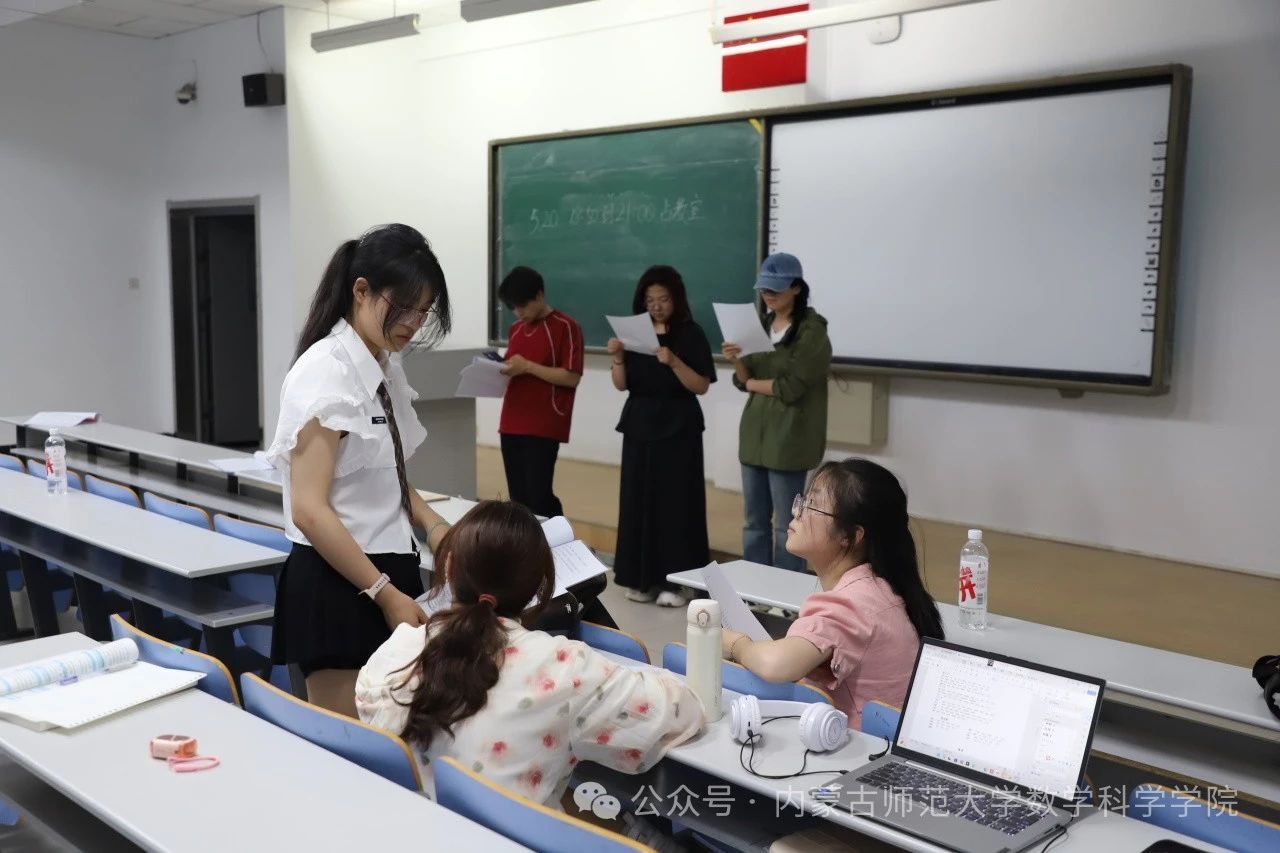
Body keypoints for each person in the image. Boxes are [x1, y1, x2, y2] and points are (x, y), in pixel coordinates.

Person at [356, 501, 705, 806]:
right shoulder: (564, 668)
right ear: (541, 587)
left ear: (448, 569)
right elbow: (681, 712)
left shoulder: (397, 652)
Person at [265, 224, 455, 717]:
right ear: (361, 291)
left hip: (384, 575)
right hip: (341, 584)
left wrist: (435, 527)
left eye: (424, 310)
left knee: (395, 733)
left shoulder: (384, 365)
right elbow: (309, 510)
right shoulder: (326, 371)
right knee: (354, 745)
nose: (413, 323)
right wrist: (383, 594)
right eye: (404, 306)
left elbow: (387, 474)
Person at [719, 459, 944, 728]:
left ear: (851, 536)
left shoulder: (852, 602)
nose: (796, 511)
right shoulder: (877, 586)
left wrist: (736, 644)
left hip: (862, 745)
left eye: (812, 505)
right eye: (802, 500)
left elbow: (775, 665)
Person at [607, 265, 715, 607]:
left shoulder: (690, 333)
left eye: (663, 299)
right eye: (650, 299)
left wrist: (674, 362)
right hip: (639, 423)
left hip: (678, 427)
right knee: (637, 501)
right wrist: (618, 359)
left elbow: (701, 385)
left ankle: (678, 584)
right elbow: (622, 384)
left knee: (676, 505)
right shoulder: (634, 335)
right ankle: (641, 579)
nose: (656, 305)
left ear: (676, 299)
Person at [722, 252, 831, 573]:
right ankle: (753, 585)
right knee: (753, 522)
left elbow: (791, 387)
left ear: (796, 287)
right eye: (764, 289)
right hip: (755, 435)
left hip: (789, 438)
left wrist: (752, 383)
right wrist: (736, 361)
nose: (768, 295)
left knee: (788, 525)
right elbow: (744, 380)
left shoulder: (812, 332)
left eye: (775, 289)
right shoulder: (762, 325)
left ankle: (785, 589)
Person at [497, 266, 583, 519]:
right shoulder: (516, 329)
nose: (519, 313)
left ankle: (559, 539)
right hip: (511, 419)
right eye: (513, 307)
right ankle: (524, 542)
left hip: (544, 421)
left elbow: (571, 377)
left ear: (539, 296)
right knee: (518, 497)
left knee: (539, 495)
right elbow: (515, 367)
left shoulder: (566, 326)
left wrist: (528, 367)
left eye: (523, 305)